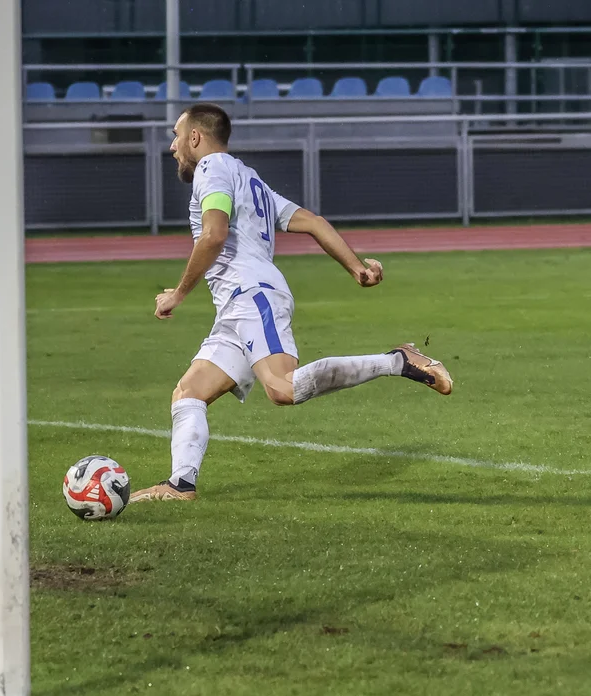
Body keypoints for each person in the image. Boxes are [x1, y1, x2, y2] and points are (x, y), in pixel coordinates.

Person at [129, 104, 453, 504]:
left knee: (282, 389)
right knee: (189, 392)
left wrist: (178, 293)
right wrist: (356, 268)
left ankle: (398, 360)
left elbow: (213, 235)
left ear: (196, 137)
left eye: (177, 135)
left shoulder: (212, 169)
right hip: (237, 307)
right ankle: (180, 485)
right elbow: (313, 221)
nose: (173, 145)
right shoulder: (249, 179)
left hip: (253, 296)